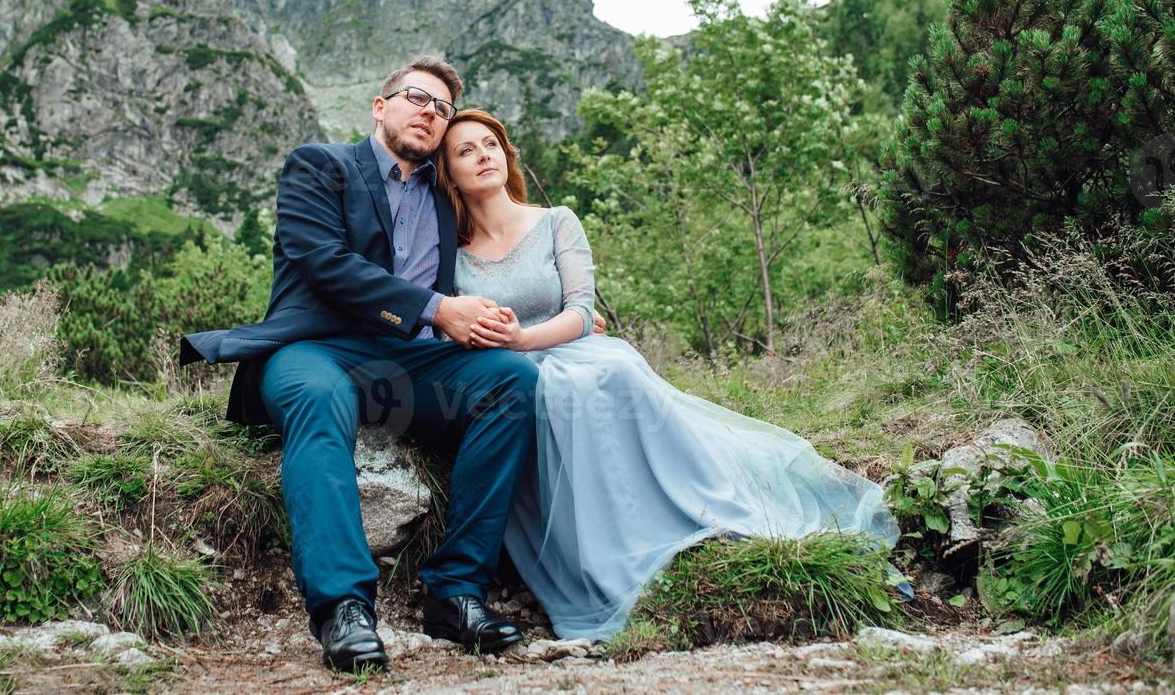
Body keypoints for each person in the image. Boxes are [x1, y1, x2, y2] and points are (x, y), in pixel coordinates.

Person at [435, 108, 903, 641]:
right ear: (449, 173)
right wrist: (494, 341)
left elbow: (583, 311)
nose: (482, 157)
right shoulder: (451, 251)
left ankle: (702, 511)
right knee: (542, 395)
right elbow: (446, 320)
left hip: (567, 346)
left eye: (489, 144)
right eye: (465, 152)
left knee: (614, 375)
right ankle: (605, 556)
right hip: (508, 369)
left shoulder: (556, 220)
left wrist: (525, 337)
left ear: (506, 153)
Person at [181, 58, 535, 672]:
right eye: (418, 98)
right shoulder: (320, 166)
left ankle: (456, 591)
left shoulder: (446, 195)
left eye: (443, 108)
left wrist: (566, 314)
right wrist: (436, 308)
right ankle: (344, 607)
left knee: (512, 382)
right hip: (313, 349)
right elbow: (323, 263)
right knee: (320, 400)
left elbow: (504, 249)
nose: (432, 113)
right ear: (381, 104)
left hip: (410, 364)